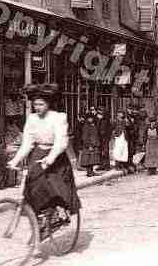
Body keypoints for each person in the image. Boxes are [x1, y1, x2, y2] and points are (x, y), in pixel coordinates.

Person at [7, 83, 81, 230]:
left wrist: (50, 158)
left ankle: (59, 212)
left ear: (48, 104)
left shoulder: (59, 117)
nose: (37, 107)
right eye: (35, 105)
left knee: (53, 184)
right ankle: (40, 217)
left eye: (41, 104)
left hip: (56, 156)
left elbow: (61, 142)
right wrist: (14, 160)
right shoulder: (32, 119)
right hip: (38, 153)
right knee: (32, 183)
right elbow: (27, 144)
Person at [79, 113, 101, 177]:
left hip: (94, 144)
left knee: (92, 159)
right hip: (89, 145)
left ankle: (91, 171)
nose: (91, 119)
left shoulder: (93, 125)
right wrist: (88, 145)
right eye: (89, 118)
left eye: (92, 118)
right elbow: (84, 137)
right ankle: (89, 172)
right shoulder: (86, 126)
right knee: (88, 159)